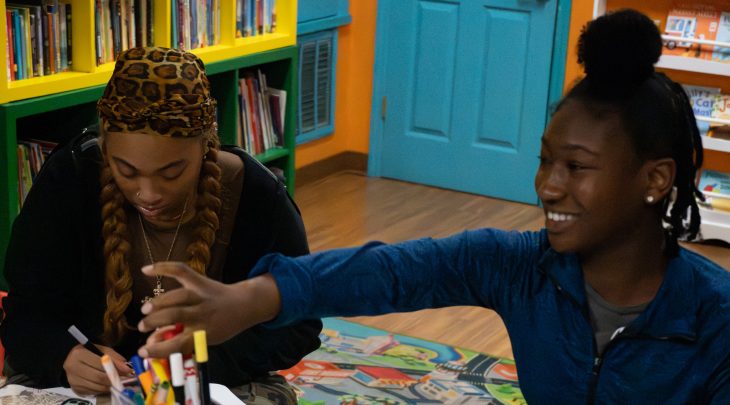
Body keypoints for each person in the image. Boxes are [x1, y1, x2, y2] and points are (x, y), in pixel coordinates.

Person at [138, 10, 730, 403]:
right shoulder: (523, 268)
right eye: (546, 161)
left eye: (576, 167)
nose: (548, 186)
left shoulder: (714, 317)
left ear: (655, 180)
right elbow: (393, 271)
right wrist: (246, 299)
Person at [0, 47, 322, 403]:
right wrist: (64, 354)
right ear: (105, 148)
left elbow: (298, 323)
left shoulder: (256, 194)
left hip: (213, 377)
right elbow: (26, 311)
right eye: (127, 170)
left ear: (206, 146)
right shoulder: (71, 178)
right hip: (90, 381)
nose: (148, 194)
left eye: (172, 173)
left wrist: (198, 365)